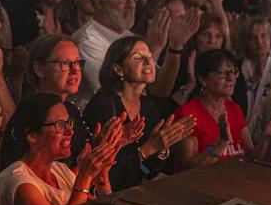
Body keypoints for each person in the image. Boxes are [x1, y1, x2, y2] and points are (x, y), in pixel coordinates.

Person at [0, 93, 124, 205]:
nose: (70, 131)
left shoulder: (60, 171)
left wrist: (101, 176)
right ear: (32, 135)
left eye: (68, 123)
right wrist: (85, 177)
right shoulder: (18, 180)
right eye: (59, 125)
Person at [82, 36, 196, 190]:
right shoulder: (104, 105)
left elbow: (148, 171)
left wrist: (161, 148)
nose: (149, 61)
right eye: (138, 57)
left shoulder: (149, 108)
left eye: (149, 56)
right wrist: (147, 149)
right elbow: (108, 174)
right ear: (118, 69)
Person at [173, 50, 271, 170]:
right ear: (203, 79)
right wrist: (221, 143)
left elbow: (250, 159)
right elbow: (188, 167)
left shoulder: (234, 109)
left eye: (233, 72)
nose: (231, 78)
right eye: (222, 73)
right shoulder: (188, 114)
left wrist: (266, 137)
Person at [71, 0, 136, 108]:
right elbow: (112, 95)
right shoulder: (87, 40)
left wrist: (174, 48)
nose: (131, 4)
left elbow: (160, 89)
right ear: (98, 1)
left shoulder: (128, 35)